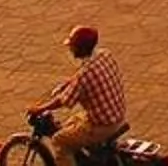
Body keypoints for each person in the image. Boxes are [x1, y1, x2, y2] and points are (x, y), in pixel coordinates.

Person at [33, 27, 128, 158]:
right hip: (117, 114)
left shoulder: (84, 75)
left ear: (81, 49)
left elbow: (64, 100)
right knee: (71, 123)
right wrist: (66, 84)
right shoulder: (105, 55)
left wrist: (39, 109)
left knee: (59, 140)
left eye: (72, 46)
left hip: (102, 126)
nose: (70, 49)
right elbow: (81, 75)